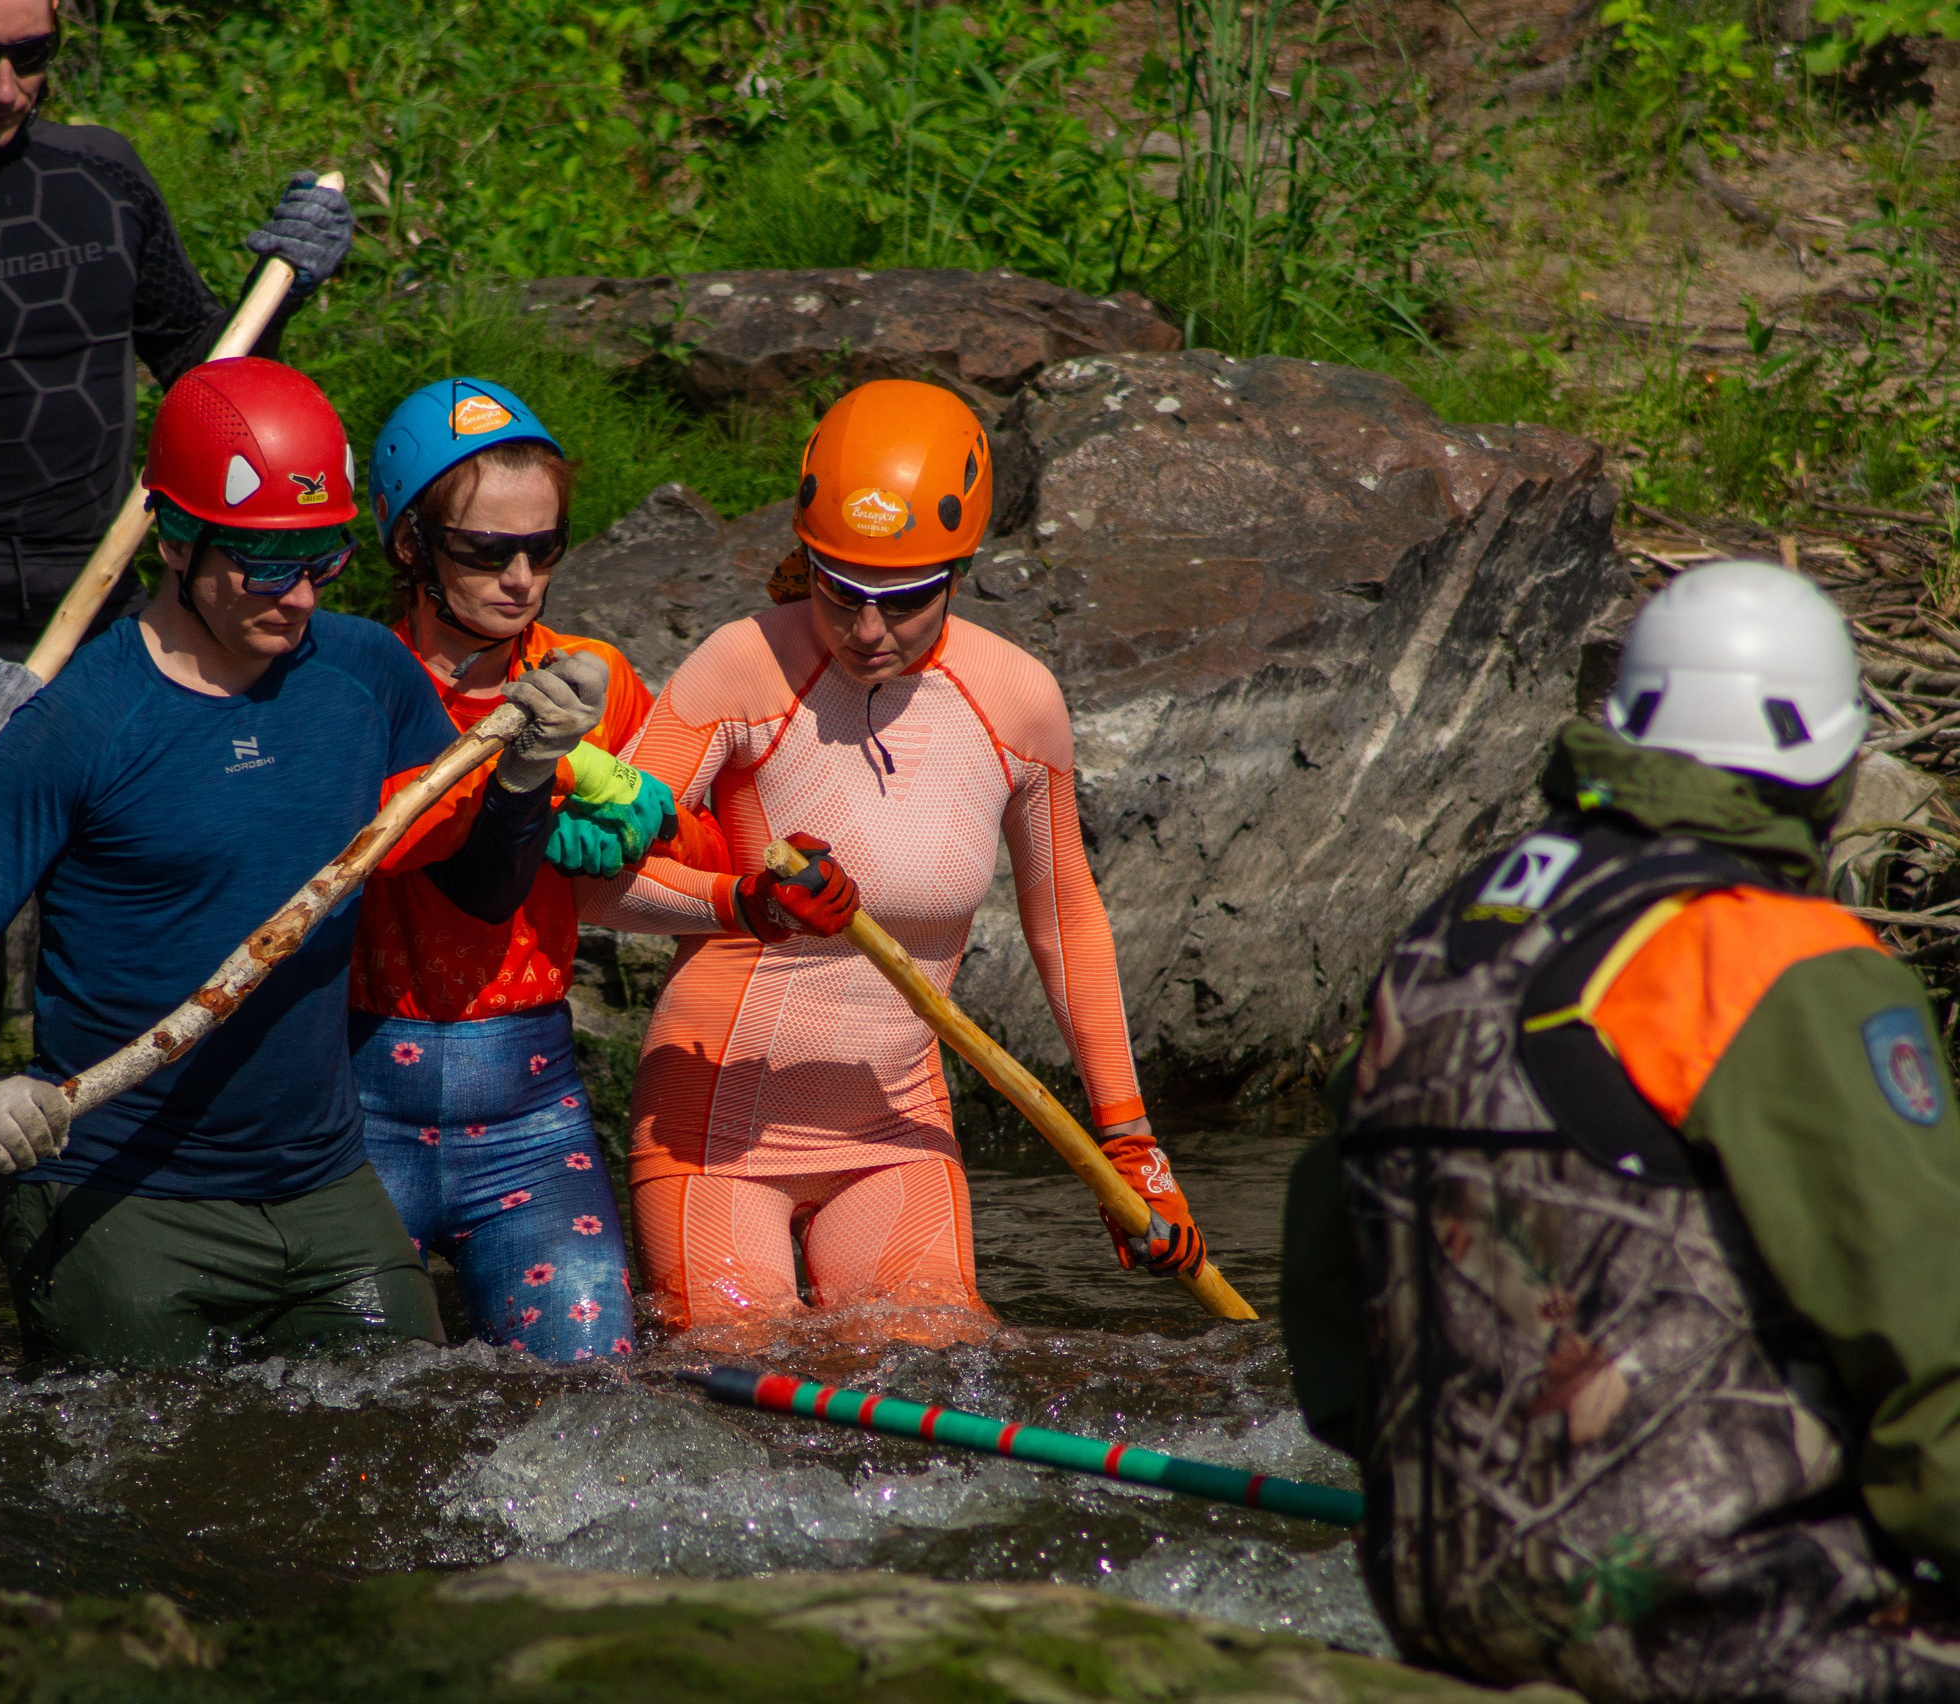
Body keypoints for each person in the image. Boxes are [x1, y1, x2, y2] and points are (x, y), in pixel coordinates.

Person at [1281, 561, 1960, 1701]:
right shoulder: (1785, 960)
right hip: (1734, 1619)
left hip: (1438, 1599)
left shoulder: (1458, 932)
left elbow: (1328, 1288)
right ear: (1831, 767)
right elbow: (1926, 1336)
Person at [0, 358, 610, 1365]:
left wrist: (526, 776)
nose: (301, 596)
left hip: (323, 1187)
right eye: (268, 565)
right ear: (176, 542)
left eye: (325, 559)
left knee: (409, 1439)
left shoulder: (365, 676)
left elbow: (477, 891)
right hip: (117, 1192)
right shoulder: (78, 720)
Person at [0, 0, 355, 1148]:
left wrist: (280, 294)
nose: (1, 90)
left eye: (30, 58)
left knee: (139, 915)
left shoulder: (103, 176)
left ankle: (154, 1189)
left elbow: (205, 387)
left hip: (108, 619)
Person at [581, 379, 1211, 1345]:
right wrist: (749, 902)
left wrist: (1130, 1143)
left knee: (941, 1375)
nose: (868, 631)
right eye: (840, 592)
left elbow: (1065, 923)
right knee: (745, 1385)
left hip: (893, 1130)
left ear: (960, 569)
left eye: (905, 601)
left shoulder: (1018, 701)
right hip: (715, 1134)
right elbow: (592, 881)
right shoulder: (739, 665)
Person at [346, 378, 713, 1363]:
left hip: (531, 1119)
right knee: (342, 1410)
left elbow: (703, 836)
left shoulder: (591, 678)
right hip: (353, 1113)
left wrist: (741, 870)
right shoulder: (353, 682)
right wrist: (523, 785)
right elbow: (409, 852)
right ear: (410, 544)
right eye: (484, 550)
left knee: (593, 1391)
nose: (520, 578)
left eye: (543, 548)